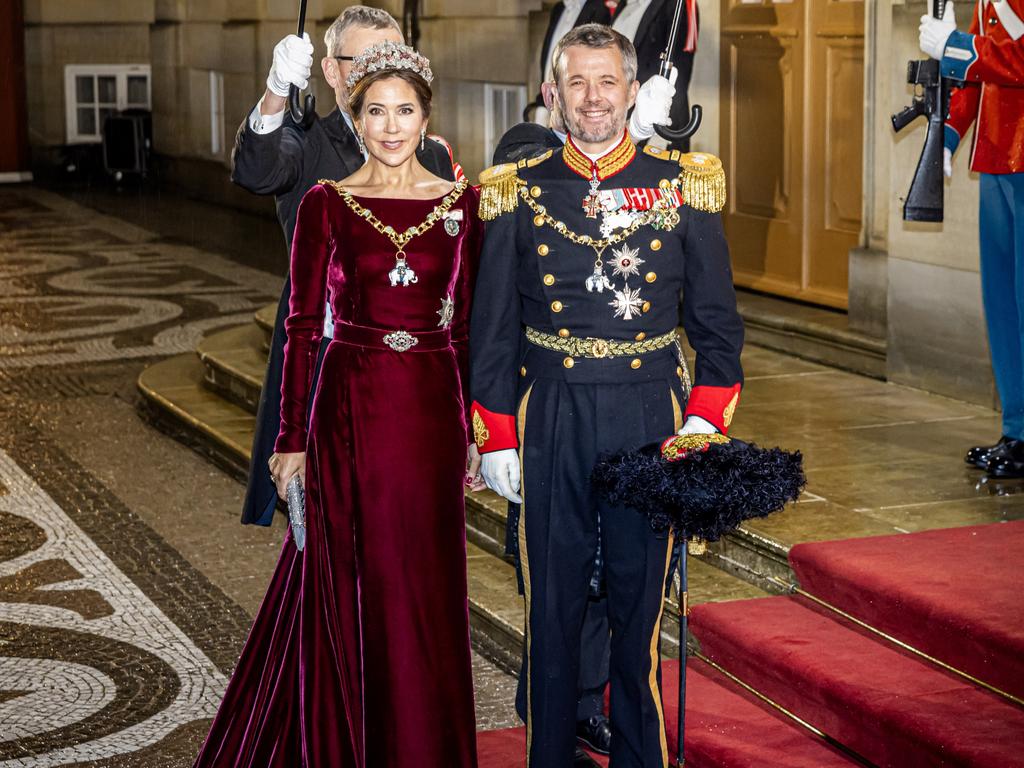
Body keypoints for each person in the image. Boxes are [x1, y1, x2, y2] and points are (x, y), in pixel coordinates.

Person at [195, 42, 482, 767]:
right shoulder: (329, 203)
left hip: (429, 415)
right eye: (377, 111)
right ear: (355, 117)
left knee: (426, 581)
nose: (392, 127)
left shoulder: (463, 204)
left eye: (406, 111)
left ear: (426, 119)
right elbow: (297, 326)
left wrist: (479, 431)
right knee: (352, 578)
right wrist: (290, 438)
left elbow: (473, 328)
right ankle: (349, 741)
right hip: (346, 408)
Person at [470, 23, 744, 768]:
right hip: (552, 411)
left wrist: (702, 423)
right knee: (552, 612)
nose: (593, 99)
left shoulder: (682, 183)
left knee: (637, 610)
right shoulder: (517, 192)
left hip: (648, 413)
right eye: (577, 83)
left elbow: (718, 333)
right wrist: (495, 435)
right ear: (553, 95)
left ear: (630, 90)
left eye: (607, 82)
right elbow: (491, 331)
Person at [232, 6, 460, 528]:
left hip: (416, 377)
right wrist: (275, 94)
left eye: (393, 57)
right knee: (332, 539)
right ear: (331, 71)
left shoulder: (432, 156)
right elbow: (256, 169)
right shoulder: (306, 141)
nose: (383, 72)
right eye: (365, 60)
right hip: (329, 369)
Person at [495, 85, 615, 759]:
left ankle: (584, 704)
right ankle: (543, 705)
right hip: (541, 408)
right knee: (555, 580)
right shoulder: (527, 155)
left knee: (602, 575)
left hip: (610, 398)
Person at [920, 0, 1024, 478]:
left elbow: (1012, 57)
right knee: (1004, 307)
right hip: (998, 156)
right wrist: (947, 136)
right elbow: (975, 76)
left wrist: (957, 46)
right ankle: (1018, 429)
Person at [612, 0, 699, 152]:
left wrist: (659, 134)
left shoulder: (679, 4)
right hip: (619, 121)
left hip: (654, 124)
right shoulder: (623, 5)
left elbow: (677, 78)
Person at [526, 0, 612, 124]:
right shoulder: (559, 8)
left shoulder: (599, 9)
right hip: (549, 104)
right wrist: (542, 106)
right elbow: (549, 56)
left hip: (575, 110)